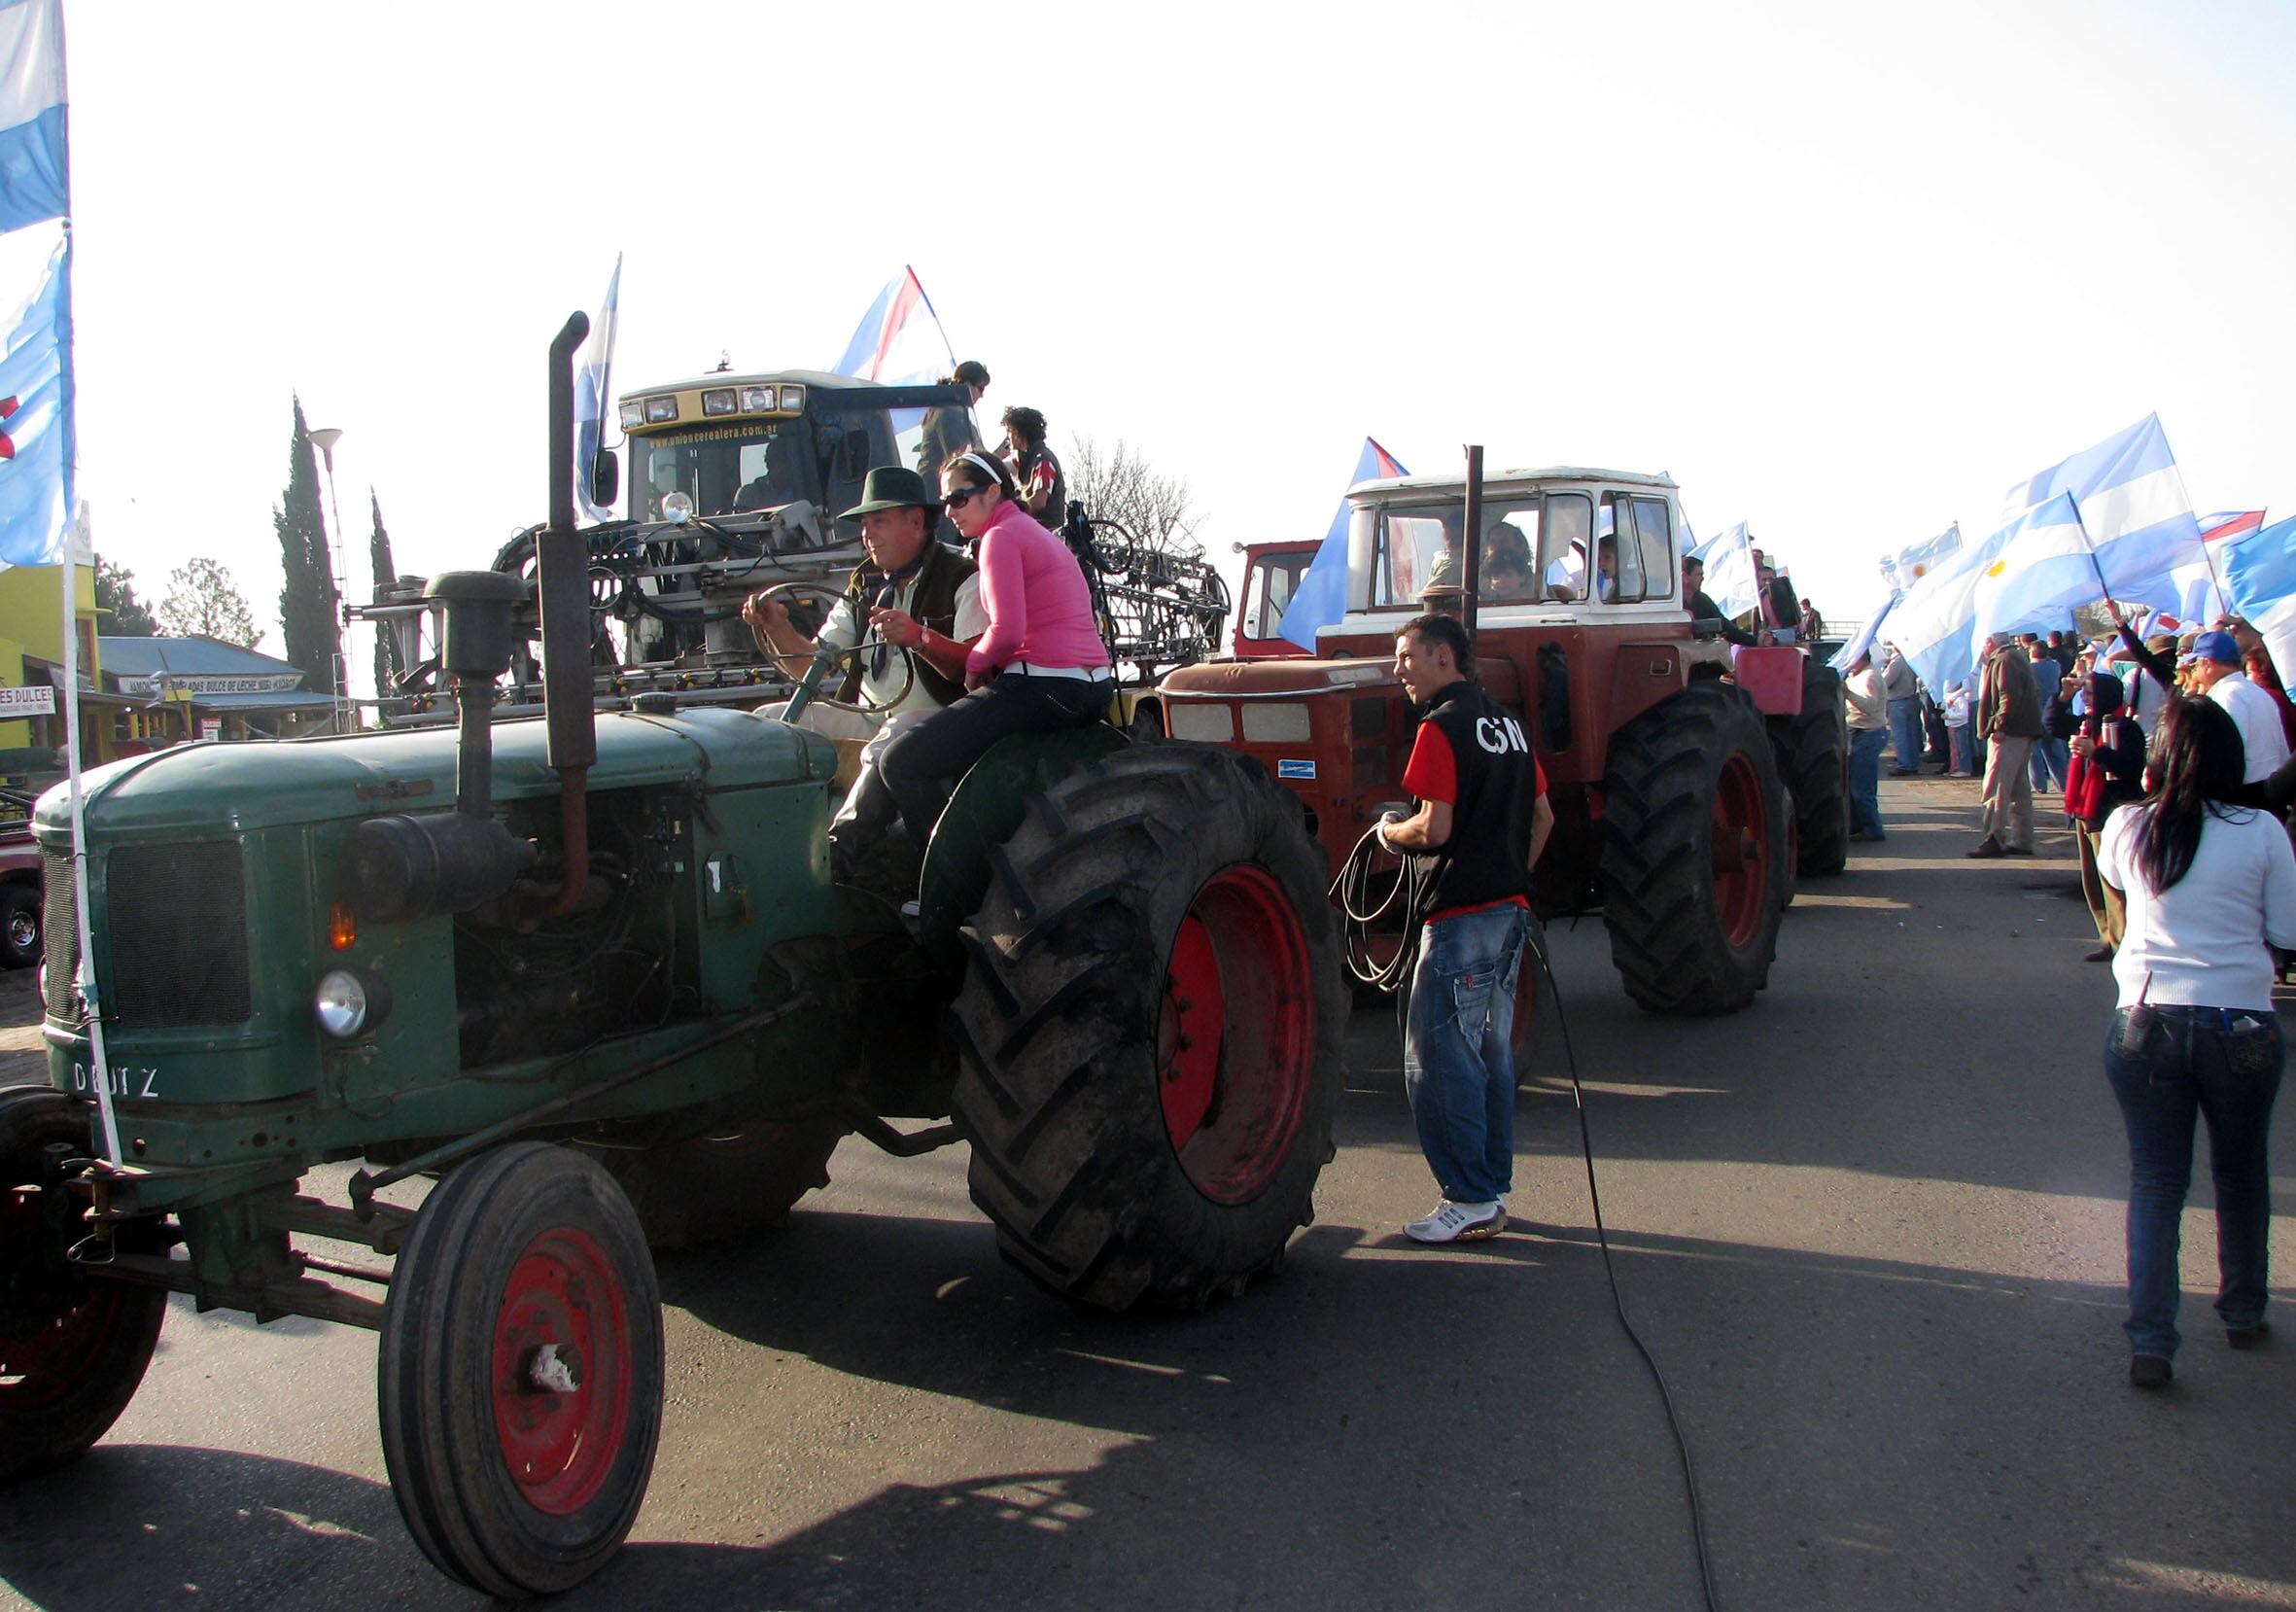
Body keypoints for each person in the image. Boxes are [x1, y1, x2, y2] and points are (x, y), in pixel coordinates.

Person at [2095, 696, 2295, 1387]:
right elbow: (2288, 931)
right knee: (2240, 1175)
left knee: (2156, 1183)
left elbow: (2118, 885)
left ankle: (2151, 1340)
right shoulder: (2262, 831)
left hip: (2146, 1019)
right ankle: (2242, 1310)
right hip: (2239, 1021)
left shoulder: (2127, 826)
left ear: (2160, 757)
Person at [1375, 612, 1552, 1244]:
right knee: (1491, 1054)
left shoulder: (1440, 727)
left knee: (1436, 1060)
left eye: (1406, 656)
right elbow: (1544, 818)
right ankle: (1490, 1186)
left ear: (1444, 657)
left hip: (1458, 920)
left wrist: (1388, 832)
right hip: (1511, 915)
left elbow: (1435, 829)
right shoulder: (1510, 726)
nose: (1398, 669)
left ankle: (1468, 1197)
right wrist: (1508, 875)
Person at [742, 466, 985, 872]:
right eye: (864, 524)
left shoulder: (963, 577)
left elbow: (975, 671)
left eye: (879, 520)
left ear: (916, 520)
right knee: (768, 723)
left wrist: (919, 639)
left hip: (942, 727)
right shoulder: (864, 583)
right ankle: (761, 842)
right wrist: (777, 626)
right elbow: (813, 665)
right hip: (871, 719)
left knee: (895, 734)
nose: (867, 533)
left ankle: (840, 852)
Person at [878, 451, 1112, 853]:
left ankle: (956, 879)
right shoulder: (1034, 532)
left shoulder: (999, 538)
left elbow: (1006, 632)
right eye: (945, 502)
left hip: (1044, 687)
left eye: (958, 498)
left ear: (992, 491)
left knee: (900, 762)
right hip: (1092, 689)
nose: (950, 511)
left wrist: (973, 668)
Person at [2065, 671, 2146, 962]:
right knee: (2094, 881)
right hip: (2086, 809)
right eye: (2083, 694)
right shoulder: (2088, 724)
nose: (2084, 699)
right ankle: (2107, 937)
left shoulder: (2124, 727)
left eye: (2089, 694)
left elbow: (2131, 767)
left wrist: (2096, 753)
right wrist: (2064, 696)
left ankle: (2124, 942)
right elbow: (2052, 723)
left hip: (2111, 809)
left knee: (2114, 882)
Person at [2189, 629, 2291, 794]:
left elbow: (2226, 753)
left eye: (2195, 665)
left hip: (2243, 795)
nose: (2194, 672)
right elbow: (2282, 749)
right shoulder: (2258, 692)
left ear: (2207, 664)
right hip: (2270, 790)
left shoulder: (2227, 696)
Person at [1969, 632, 2043, 857]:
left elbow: (2007, 695)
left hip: (2010, 732)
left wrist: (2000, 726)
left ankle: (1993, 837)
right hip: (2022, 731)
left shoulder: (2003, 659)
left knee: (1997, 786)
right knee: (2019, 789)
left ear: (1989, 642)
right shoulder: (2014, 656)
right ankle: (2022, 839)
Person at [916, 359, 990, 486]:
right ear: (967, 384)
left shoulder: (949, 410)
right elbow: (959, 460)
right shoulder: (950, 413)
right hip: (938, 491)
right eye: (981, 388)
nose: (982, 395)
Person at [1844, 650, 1890, 841]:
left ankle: (1872, 829)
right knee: (1855, 784)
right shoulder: (1857, 675)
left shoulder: (1870, 676)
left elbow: (1870, 706)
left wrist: (1847, 694)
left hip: (1869, 734)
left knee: (1862, 788)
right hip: (1859, 732)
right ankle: (1858, 825)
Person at [997, 404, 1066, 531]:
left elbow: (1038, 502)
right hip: (1033, 528)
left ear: (1018, 433)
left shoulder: (1043, 461)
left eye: (1009, 432)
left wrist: (1010, 509)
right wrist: (997, 455)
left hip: (1045, 530)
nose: (1008, 438)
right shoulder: (1027, 459)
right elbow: (997, 468)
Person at [1682, 556, 1757, 646]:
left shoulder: (1703, 600)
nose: (1703, 578)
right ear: (1685, 577)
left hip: (1701, 653)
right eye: (1699, 574)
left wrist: (1755, 641)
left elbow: (1724, 626)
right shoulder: (1668, 603)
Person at [1880, 644, 1923, 777]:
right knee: (1911, 734)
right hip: (1911, 698)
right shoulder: (1911, 661)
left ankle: (1904, 764)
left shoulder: (1896, 662)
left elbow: (1885, 682)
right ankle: (1913, 762)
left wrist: (1884, 668)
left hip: (1898, 700)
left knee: (1901, 736)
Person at [1942, 680, 1975, 776]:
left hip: (1960, 726)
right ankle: (1955, 768)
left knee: (1962, 748)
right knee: (1954, 749)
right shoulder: (1949, 699)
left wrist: (1949, 717)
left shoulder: (1961, 699)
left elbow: (1964, 714)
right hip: (1951, 726)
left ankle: (1965, 769)